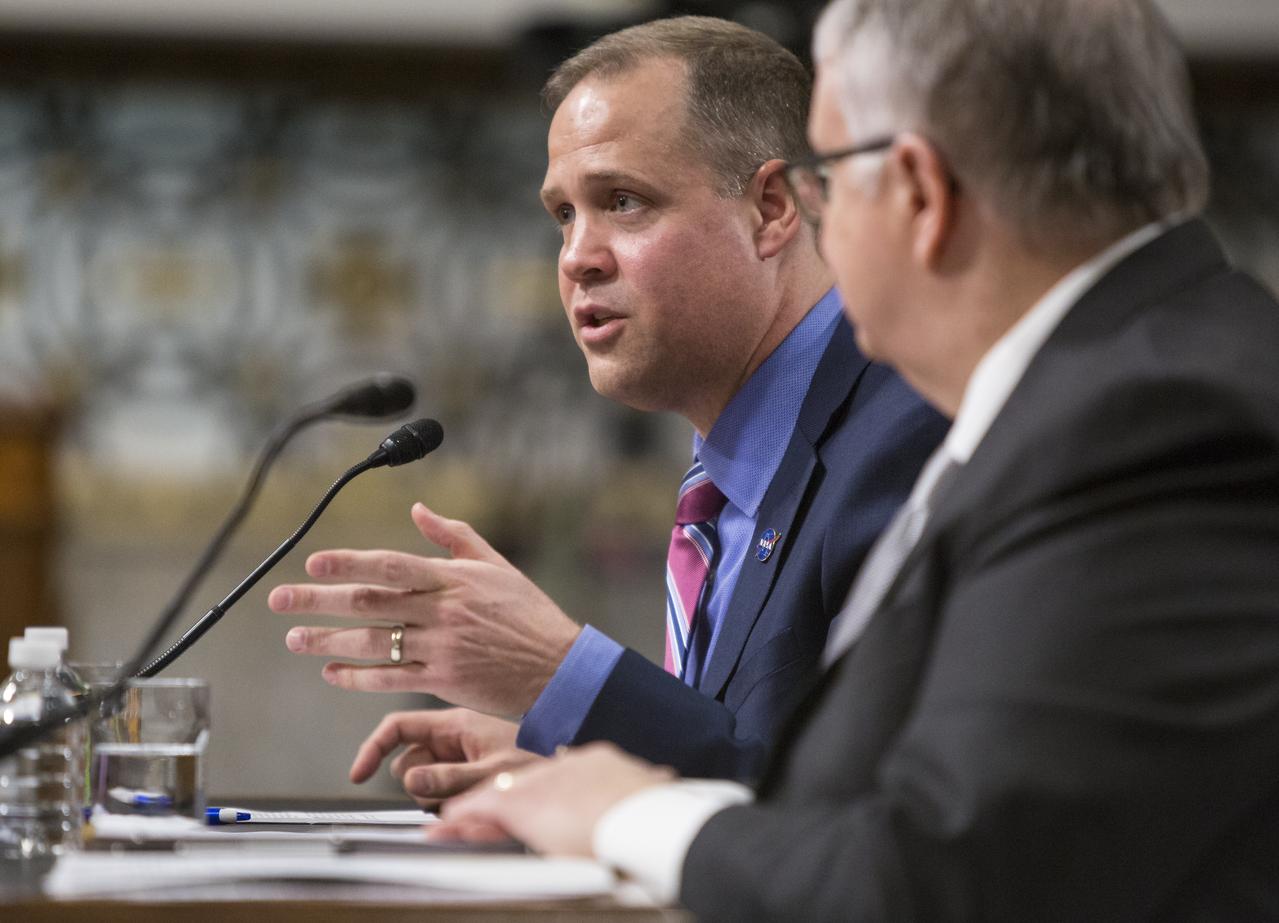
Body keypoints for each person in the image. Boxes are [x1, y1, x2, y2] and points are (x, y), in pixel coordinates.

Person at [434, 1, 1279, 920]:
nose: (818, 225)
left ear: (917, 191)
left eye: (828, 180)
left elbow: (945, 882)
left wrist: (634, 817)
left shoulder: (1150, 424)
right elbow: (897, 805)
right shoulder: (1118, 385)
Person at [269, 16, 946, 797]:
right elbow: (754, 756)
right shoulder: (734, 468)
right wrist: (580, 770)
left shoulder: (907, 437)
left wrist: (563, 676)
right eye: (563, 214)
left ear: (771, 209)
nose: (575, 259)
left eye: (622, 201)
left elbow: (855, 823)